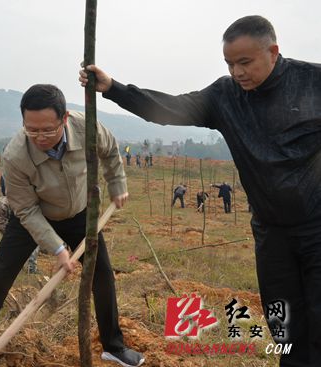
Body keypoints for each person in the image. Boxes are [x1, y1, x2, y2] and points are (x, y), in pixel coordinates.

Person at [80, 15, 321, 366]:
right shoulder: (226, 96)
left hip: (317, 227)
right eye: (229, 63)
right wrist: (114, 88)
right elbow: (170, 109)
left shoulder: (312, 81)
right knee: (283, 324)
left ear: (273, 51)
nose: (237, 72)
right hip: (271, 234)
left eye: (244, 62)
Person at [0, 84, 144, 367]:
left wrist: (117, 184)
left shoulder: (88, 128)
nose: (40, 137)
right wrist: (57, 248)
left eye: (48, 129)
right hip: (33, 216)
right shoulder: (15, 155)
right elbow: (24, 208)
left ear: (65, 118)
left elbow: (109, 151)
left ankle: (113, 346)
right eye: (31, 130)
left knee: (103, 275)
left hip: (80, 213)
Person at [0, 196, 38, 274]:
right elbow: (11, 216)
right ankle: (9, 256)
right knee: (10, 237)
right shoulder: (11, 202)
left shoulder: (1, 198)